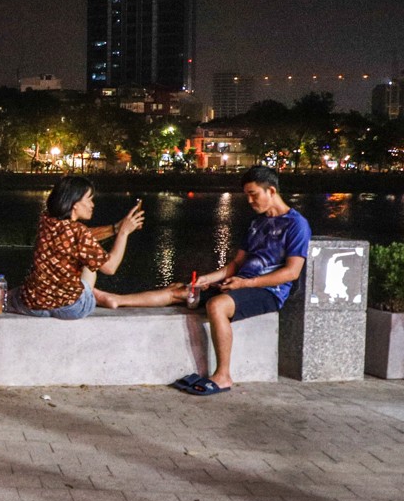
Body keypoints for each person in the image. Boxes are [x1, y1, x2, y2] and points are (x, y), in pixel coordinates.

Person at [97, 166, 311, 395]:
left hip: (268, 290)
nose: (249, 200)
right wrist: (206, 279)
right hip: (238, 283)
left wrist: (245, 284)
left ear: (271, 190)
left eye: (253, 194)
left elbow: (292, 272)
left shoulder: (296, 224)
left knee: (216, 305)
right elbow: (235, 265)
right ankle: (117, 300)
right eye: (247, 195)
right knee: (181, 291)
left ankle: (223, 375)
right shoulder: (257, 223)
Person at [8, 175, 144, 319]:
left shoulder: (45, 221)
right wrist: (124, 232)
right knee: (89, 264)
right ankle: (102, 297)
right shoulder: (78, 231)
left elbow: (79, 238)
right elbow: (110, 268)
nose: (93, 205)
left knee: (18, 292)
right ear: (75, 203)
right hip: (71, 309)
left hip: (35, 306)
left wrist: (115, 228)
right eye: (89, 199)